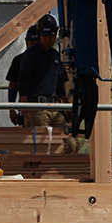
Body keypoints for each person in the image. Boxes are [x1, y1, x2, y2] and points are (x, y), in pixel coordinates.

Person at [18, 14, 78, 153]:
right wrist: (23, 102)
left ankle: (65, 170)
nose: (48, 39)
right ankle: (43, 172)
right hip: (37, 108)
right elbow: (22, 80)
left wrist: (66, 106)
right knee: (43, 145)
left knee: (71, 143)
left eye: (51, 36)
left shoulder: (55, 55)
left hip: (55, 106)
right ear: (39, 35)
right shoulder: (30, 55)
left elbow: (59, 84)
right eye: (45, 36)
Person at [5, 27, 38, 126]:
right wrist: (11, 109)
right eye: (30, 43)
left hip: (47, 105)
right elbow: (13, 85)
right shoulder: (19, 60)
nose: (32, 46)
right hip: (28, 106)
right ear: (27, 42)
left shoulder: (49, 59)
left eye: (35, 43)